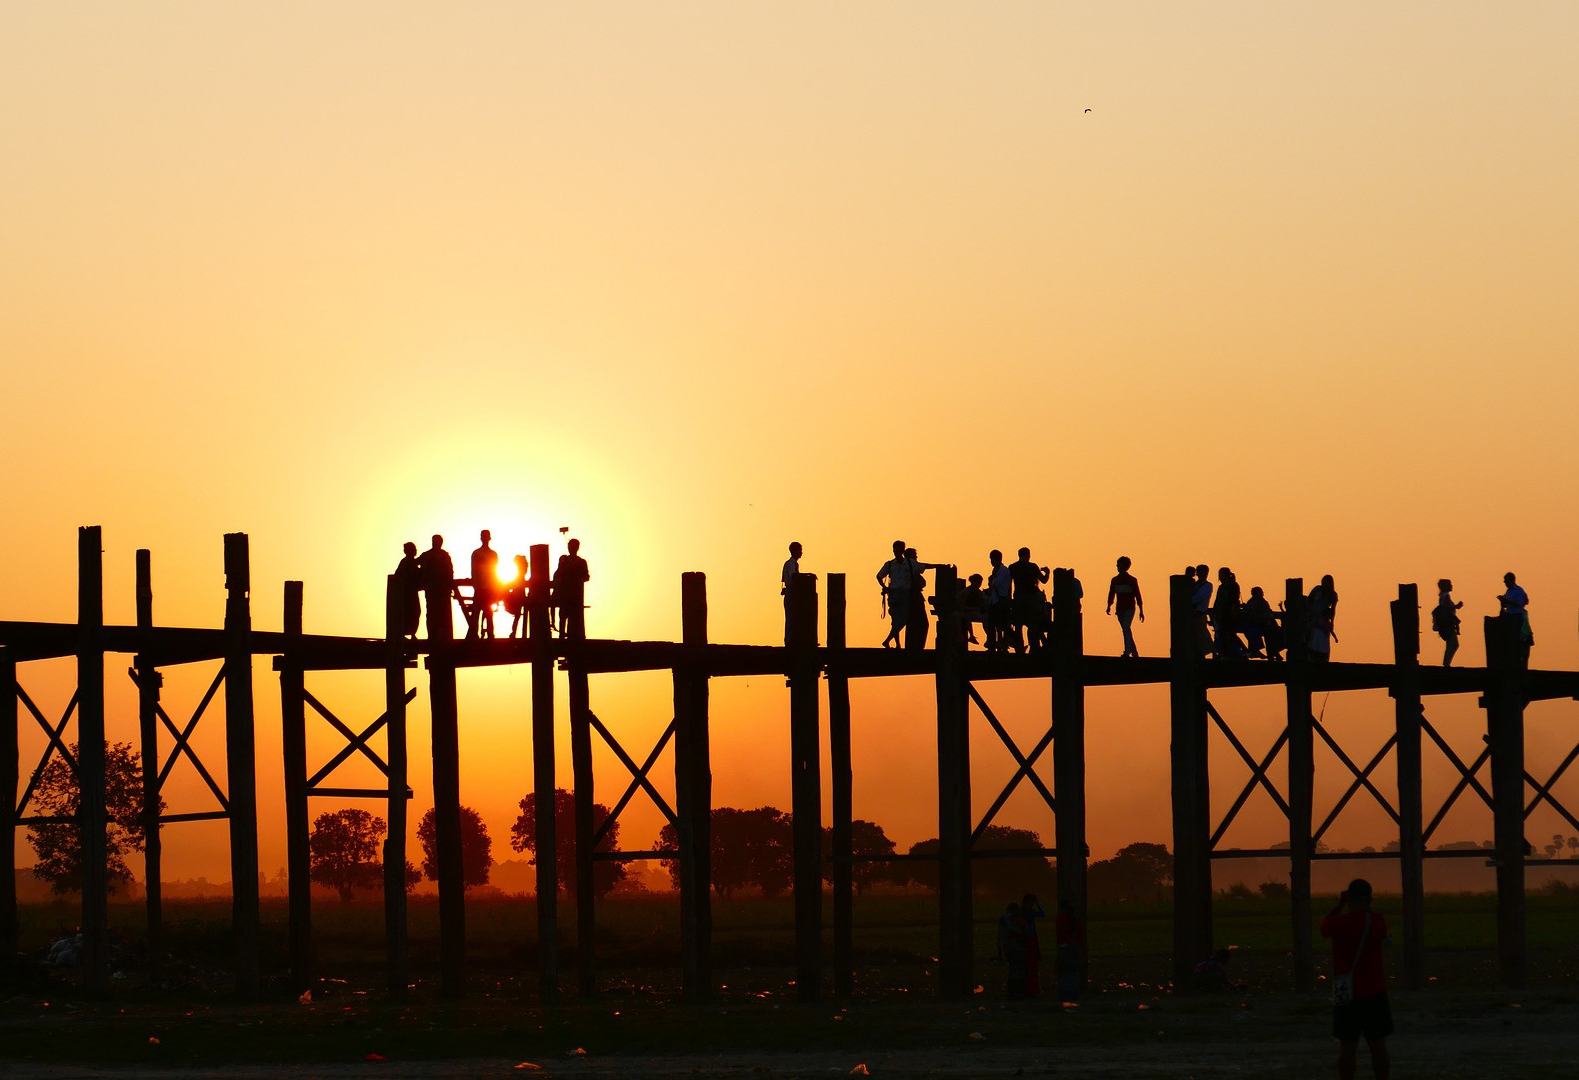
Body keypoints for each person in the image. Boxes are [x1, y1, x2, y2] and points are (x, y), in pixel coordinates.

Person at [1321, 878, 1391, 1080]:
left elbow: (1324, 927)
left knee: (1347, 1046)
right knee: (1378, 1045)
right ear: (1369, 899)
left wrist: (1339, 905)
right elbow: (1380, 930)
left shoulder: (1338, 923)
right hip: (1374, 990)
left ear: (1349, 898)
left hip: (1345, 990)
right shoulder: (1377, 921)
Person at [1010, 548, 1050, 654]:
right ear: (1027, 555)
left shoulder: (1013, 567)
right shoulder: (1033, 567)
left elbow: (1009, 584)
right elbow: (1044, 580)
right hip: (1031, 600)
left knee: (1018, 626)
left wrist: (1010, 599)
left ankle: (1019, 649)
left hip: (1018, 598)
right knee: (1032, 625)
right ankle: (1034, 648)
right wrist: (1047, 573)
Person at [903, 547, 943, 651]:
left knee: (911, 623)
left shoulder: (900, 566)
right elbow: (925, 566)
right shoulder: (911, 563)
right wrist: (939, 566)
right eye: (915, 555)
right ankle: (918, 647)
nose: (916, 557)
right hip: (914, 596)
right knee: (923, 623)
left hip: (907, 597)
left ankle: (911, 647)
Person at [1106, 556, 1144, 658]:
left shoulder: (1132, 580)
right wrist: (1109, 605)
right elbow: (1111, 594)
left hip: (1130, 608)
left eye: (1119, 565)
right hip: (1119, 609)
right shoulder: (1114, 580)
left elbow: (1138, 595)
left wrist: (1141, 610)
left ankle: (1127, 652)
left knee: (1126, 628)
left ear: (1125, 566)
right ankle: (1134, 652)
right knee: (1126, 629)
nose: (1117, 566)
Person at [552, 539, 591, 641]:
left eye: (573, 546)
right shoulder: (564, 560)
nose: (571, 548)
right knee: (563, 616)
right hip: (565, 594)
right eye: (569, 546)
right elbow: (557, 574)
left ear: (577, 548)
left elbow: (586, 577)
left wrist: (576, 574)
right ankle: (561, 636)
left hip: (576, 596)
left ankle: (571, 637)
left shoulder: (581, 562)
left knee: (573, 619)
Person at [417, 535, 455, 638]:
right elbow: (450, 572)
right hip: (439, 591)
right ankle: (439, 639)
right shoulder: (444, 556)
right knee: (439, 615)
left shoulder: (428, 555)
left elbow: (415, 564)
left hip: (434, 590)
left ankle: (434, 638)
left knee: (433, 615)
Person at [876, 540, 911, 649]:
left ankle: (892, 642)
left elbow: (923, 565)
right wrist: (885, 587)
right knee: (897, 621)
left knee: (901, 620)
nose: (895, 551)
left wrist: (937, 566)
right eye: (894, 549)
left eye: (898, 549)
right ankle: (895, 643)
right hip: (894, 595)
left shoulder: (909, 563)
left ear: (903, 550)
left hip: (904, 595)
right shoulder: (890, 564)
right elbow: (879, 576)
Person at [467, 530, 499, 641]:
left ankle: (475, 637)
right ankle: (488, 637)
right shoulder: (489, 554)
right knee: (484, 614)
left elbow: (474, 572)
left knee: (482, 614)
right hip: (484, 588)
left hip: (485, 589)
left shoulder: (477, 553)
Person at [1497, 572, 1533, 660]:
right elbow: (1506, 605)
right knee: (1508, 639)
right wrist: (1503, 601)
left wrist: (1507, 601)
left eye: (1506, 581)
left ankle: (1517, 658)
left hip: (1516, 617)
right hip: (1509, 617)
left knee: (1516, 639)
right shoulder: (1509, 591)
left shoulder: (1518, 590)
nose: (1505, 582)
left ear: (1511, 580)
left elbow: (1520, 604)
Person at [996, 901, 1029, 999]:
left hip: (1010, 947)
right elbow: (1022, 931)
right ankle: (1017, 992)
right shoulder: (1014, 919)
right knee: (1017, 970)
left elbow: (1000, 935)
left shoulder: (1004, 919)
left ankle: (1013, 992)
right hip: (1016, 947)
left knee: (1013, 970)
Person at [1241, 586, 1284, 660]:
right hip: (1262, 625)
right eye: (1261, 592)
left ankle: (1274, 653)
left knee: (1273, 636)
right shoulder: (1255, 602)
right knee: (1271, 635)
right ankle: (1274, 654)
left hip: (1265, 625)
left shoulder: (1259, 601)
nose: (1262, 593)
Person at [1054, 899, 1084, 1002]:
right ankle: (1072, 993)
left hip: (1064, 947)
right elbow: (1079, 936)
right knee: (1072, 973)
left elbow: (1060, 934)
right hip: (1073, 947)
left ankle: (1064, 994)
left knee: (1064, 973)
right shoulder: (1075, 920)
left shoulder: (1061, 919)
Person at [392, 541, 422, 639]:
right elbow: (399, 576)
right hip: (408, 594)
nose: (415, 550)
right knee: (411, 612)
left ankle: (412, 633)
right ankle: (406, 633)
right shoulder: (406, 562)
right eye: (413, 549)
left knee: (415, 612)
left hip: (411, 593)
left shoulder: (410, 562)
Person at [1212, 567, 1244, 658]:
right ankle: (1225, 653)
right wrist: (1215, 611)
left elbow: (1233, 600)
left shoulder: (1232, 585)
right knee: (1223, 634)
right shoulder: (1223, 586)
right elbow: (1217, 601)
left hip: (1229, 614)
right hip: (1222, 614)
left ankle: (1239, 651)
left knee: (1229, 634)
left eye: (1221, 575)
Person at [1432, 578, 1463, 667]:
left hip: (1447, 625)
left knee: (1452, 644)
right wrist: (1456, 606)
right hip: (1447, 625)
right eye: (1449, 584)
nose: (1451, 585)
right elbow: (1445, 608)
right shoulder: (1445, 596)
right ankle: (1446, 664)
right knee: (1453, 644)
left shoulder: (1443, 596)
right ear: (1445, 586)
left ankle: (1446, 663)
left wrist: (1455, 607)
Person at [986, 549, 1013, 652]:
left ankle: (1002, 646)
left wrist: (991, 583)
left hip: (1001, 602)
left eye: (992, 559)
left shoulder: (1003, 570)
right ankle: (994, 646)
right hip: (995, 601)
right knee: (994, 625)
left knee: (1001, 625)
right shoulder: (998, 570)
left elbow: (996, 584)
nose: (991, 562)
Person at [1308, 574, 1339, 662]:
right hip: (1313, 618)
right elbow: (1308, 601)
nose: (1324, 585)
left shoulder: (1333, 595)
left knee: (1322, 640)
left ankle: (1323, 659)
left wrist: (1332, 623)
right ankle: (1312, 657)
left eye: (1326, 583)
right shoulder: (1317, 589)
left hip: (1323, 620)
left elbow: (1333, 611)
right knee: (1313, 639)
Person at [1020, 893, 1047, 997]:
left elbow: (1043, 914)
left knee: (1032, 966)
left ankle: (1031, 988)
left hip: (1031, 939)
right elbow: (1042, 914)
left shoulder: (1027, 912)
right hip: (1027, 939)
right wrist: (1038, 904)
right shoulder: (1025, 912)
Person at [781, 541, 802, 646]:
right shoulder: (790, 564)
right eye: (800, 550)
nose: (801, 553)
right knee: (791, 618)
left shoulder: (790, 564)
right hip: (791, 595)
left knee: (792, 618)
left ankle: (791, 640)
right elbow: (793, 579)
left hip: (791, 595)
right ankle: (789, 642)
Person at [503, 554, 530, 638]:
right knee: (517, 615)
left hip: (517, 595)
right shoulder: (521, 572)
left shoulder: (520, 573)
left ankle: (513, 632)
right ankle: (514, 632)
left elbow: (515, 582)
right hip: (520, 594)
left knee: (517, 614)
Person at [1192, 565, 1213, 656]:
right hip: (1193, 614)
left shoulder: (1207, 585)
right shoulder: (1194, 584)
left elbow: (1197, 598)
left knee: (1202, 634)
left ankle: (1211, 651)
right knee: (1196, 635)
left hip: (1200, 613)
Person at [962, 573, 987, 647]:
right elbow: (962, 604)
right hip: (969, 612)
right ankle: (972, 636)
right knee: (967, 617)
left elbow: (983, 602)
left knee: (986, 618)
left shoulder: (979, 592)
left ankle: (989, 638)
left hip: (976, 612)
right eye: (979, 582)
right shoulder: (967, 591)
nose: (980, 584)